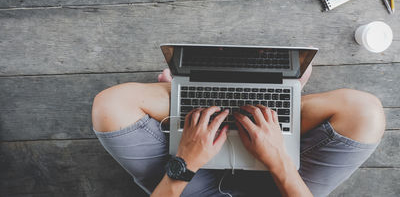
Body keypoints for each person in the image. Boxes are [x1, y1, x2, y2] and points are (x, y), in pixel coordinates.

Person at [92, 66, 385, 197]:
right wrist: (278, 160)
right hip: (280, 190)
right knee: (365, 113)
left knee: (110, 106)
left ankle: (188, 93)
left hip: (189, 189)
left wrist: (186, 163)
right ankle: (281, 103)